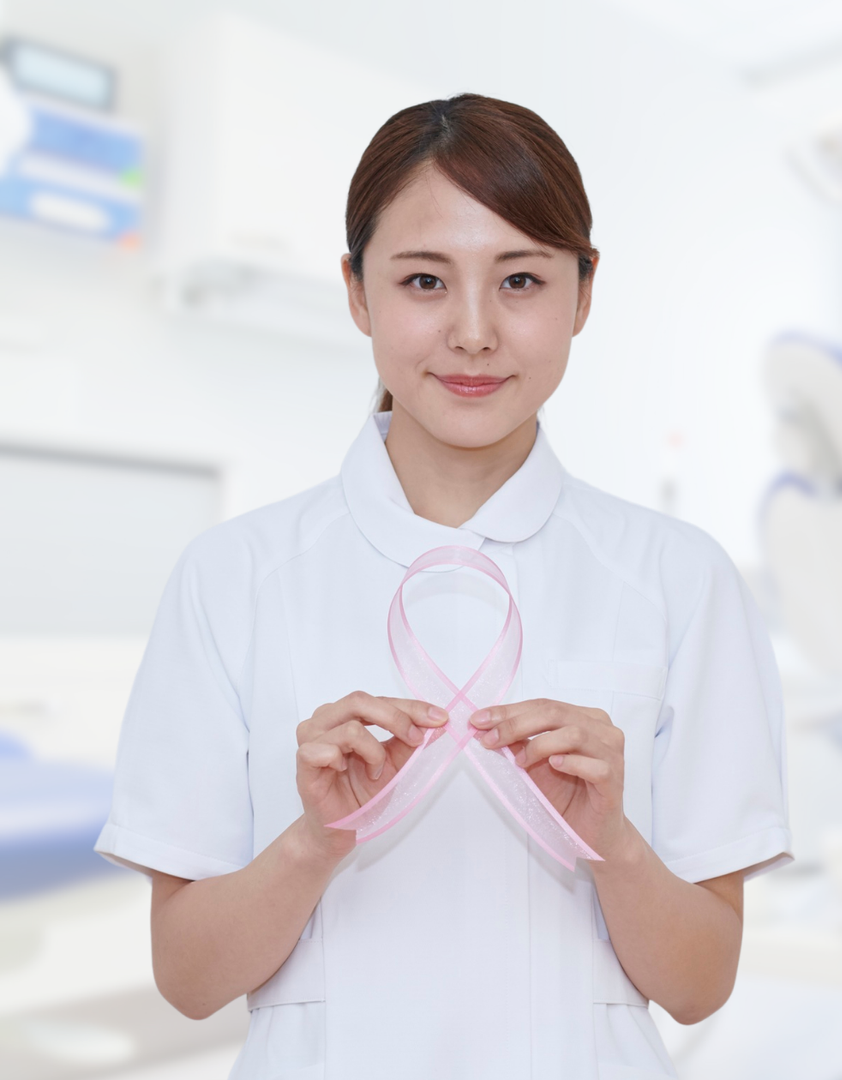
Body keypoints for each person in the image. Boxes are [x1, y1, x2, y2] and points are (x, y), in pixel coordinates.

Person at [94, 94, 789, 1079]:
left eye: (520, 280)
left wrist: (612, 845)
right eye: (424, 279)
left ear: (583, 295)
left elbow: (699, 983)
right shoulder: (235, 576)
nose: (472, 332)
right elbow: (191, 979)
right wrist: (314, 840)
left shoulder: (678, 579)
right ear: (357, 292)